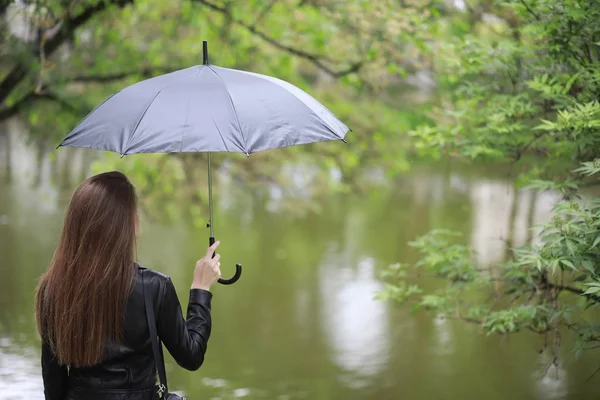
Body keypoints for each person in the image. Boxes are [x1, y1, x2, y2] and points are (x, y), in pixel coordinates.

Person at [34, 171, 222, 400]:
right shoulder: (154, 287)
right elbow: (191, 356)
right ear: (123, 224)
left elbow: (53, 386)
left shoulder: (52, 289)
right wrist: (200, 289)